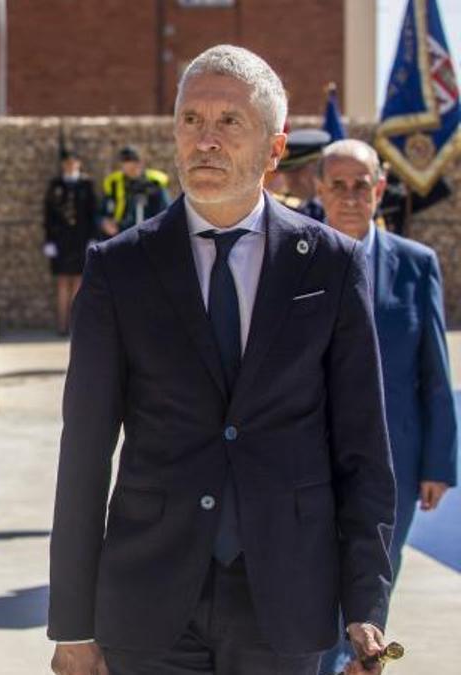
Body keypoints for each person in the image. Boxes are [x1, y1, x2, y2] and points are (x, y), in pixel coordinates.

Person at [49, 45, 395, 675]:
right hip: (148, 601)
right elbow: (85, 451)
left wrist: (366, 604)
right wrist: (72, 623)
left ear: (275, 148)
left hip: (287, 598)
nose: (204, 140)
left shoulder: (334, 266)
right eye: (190, 121)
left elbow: (363, 448)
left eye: (228, 122)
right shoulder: (118, 269)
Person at [315, 139, 458, 674]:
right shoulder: (297, 261)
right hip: (312, 457)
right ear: (319, 190)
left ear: (379, 190)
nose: (351, 197)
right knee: (317, 577)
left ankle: (356, 662)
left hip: (394, 462)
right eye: (339, 185)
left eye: (362, 185)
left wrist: (438, 464)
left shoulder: (416, 265)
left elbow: (434, 371)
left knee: (374, 576)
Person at [42, 147, 99, 335]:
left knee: (78, 283)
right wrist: (49, 240)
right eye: (66, 163)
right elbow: (48, 215)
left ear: (79, 164)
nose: (69, 166)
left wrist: (92, 237)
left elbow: (93, 214)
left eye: (73, 162)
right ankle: (62, 325)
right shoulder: (55, 185)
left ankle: (76, 325)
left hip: (81, 239)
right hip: (61, 241)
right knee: (62, 283)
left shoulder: (86, 184)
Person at [100, 145, 169, 236]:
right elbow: (102, 211)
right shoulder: (114, 184)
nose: (133, 166)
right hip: (119, 235)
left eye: (136, 162)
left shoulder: (154, 184)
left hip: (148, 235)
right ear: (122, 165)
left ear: (142, 163)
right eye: (127, 162)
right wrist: (104, 223)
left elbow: (166, 212)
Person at [268, 128, 330, 222]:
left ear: (319, 167)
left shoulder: (341, 208)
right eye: (286, 171)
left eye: (298, 170)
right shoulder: (285, 210)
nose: (292, 178)